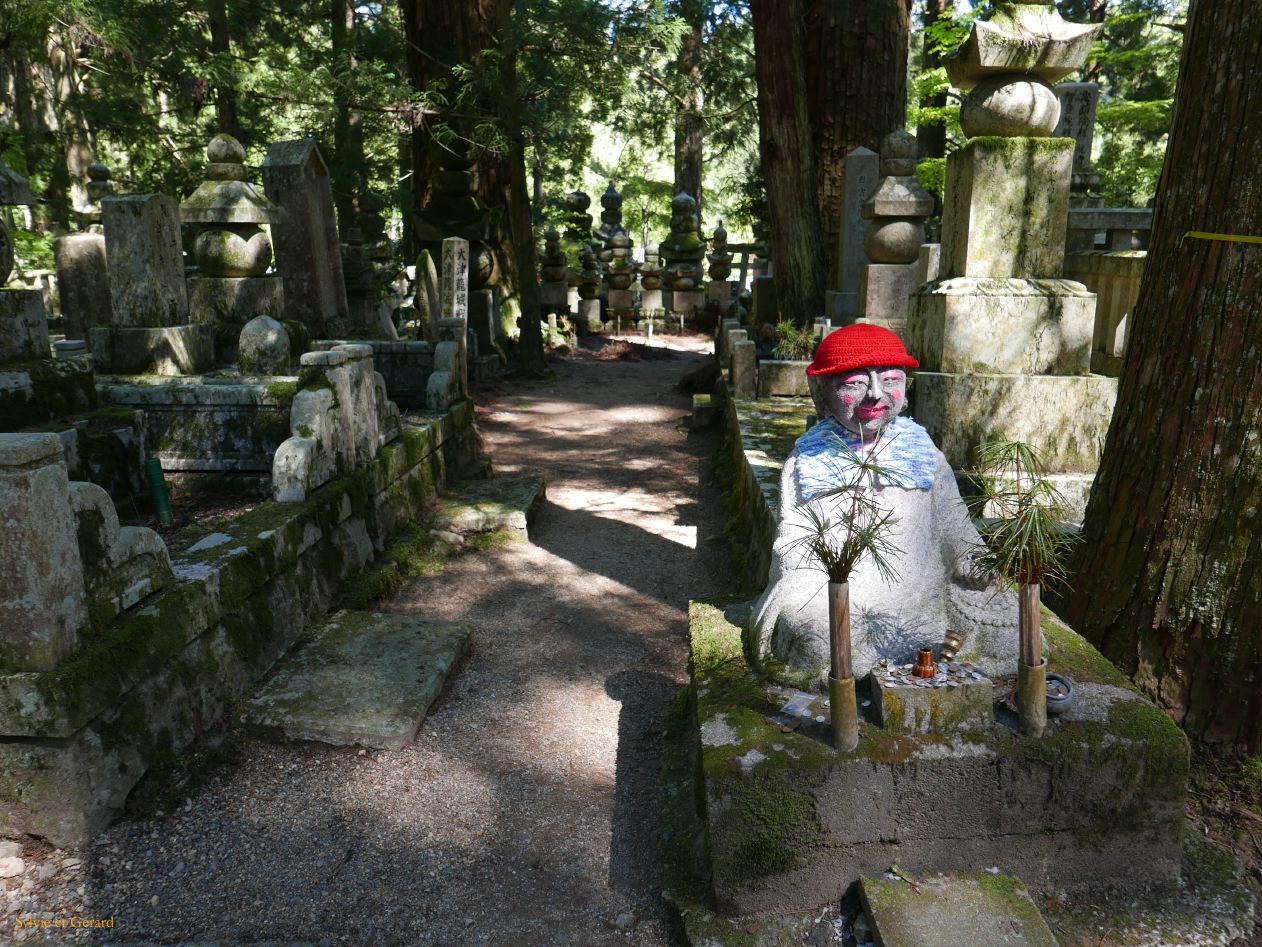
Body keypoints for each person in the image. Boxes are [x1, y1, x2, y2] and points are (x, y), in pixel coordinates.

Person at [750, 323, 1018, 683]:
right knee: (812, 636)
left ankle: (914, 658)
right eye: (854, 384)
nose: (875, 395)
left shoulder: (924, 453)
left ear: (905, 388)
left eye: (890, 379)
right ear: (824, 393)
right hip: (841, 588)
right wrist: (808, 578)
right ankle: (871, 668)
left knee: (1012, 623)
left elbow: (955, 523)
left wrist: (970, 557)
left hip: (926, 587)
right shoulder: (809, 459)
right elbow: (796, 537)